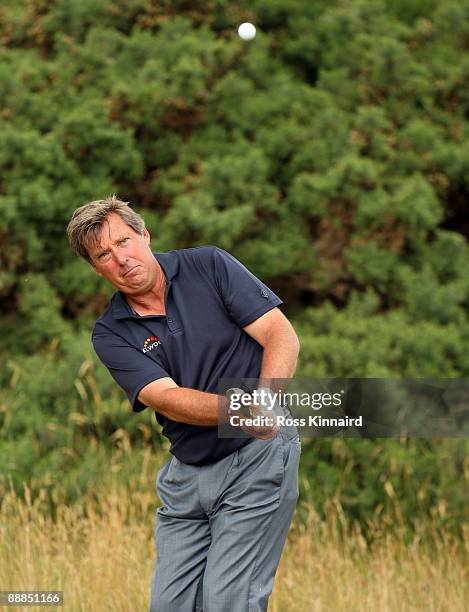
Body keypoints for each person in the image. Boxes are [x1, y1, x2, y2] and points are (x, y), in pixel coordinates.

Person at [66, 195, 301, 612]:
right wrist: (241, 412)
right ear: (96, 267)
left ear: (145, 234)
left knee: (227, 602)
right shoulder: (110, 333)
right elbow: (168, 399)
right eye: (103, 254)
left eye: (124, 241)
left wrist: (266, 402)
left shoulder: (208, 266)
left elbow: (279, 335)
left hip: (255, 455)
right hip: (186, 478)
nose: (120, 258)